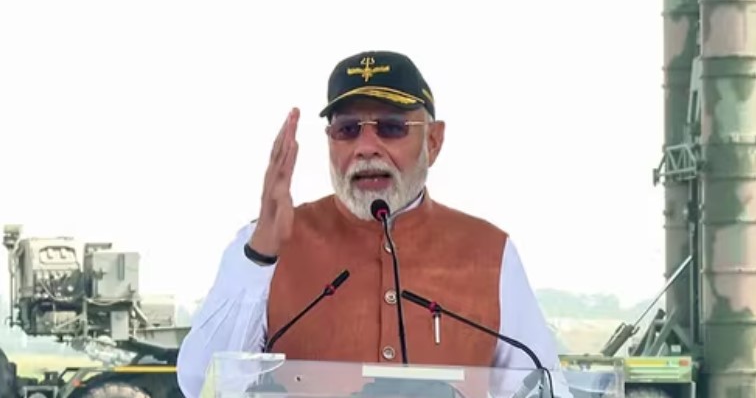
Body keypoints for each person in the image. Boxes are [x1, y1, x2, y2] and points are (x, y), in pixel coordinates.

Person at [176, 50, 574, 398]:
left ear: (433, 141)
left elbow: (544, 386)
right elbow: (199, 383)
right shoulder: (267, 244)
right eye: (347, 130)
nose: (366, 148)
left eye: (392, 128)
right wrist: (260, 256)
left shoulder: (489, 251)